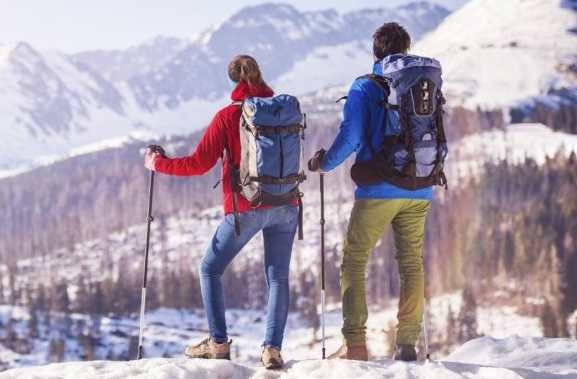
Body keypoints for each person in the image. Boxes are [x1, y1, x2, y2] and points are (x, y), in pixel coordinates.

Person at [144, 55, 298, 370]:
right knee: (278, 276)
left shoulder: (228, 116)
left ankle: (218, 343)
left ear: (232, 83)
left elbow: (197, 164)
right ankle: (272, 350)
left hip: (247, 208)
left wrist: (157, 163)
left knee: (210, 269)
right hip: (286, 204)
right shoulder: (284, 111)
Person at [308, 22, 433, 361]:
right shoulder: (422, 84)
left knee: (354, 261)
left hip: (379, 188)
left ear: (375, 52)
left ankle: (355, 344)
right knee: (410, 263)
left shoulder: (365, 86)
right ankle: (407, 343)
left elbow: (351, 137)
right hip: (420, 187)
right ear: (405, 50)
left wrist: (324, 164)